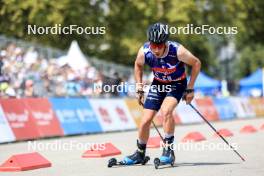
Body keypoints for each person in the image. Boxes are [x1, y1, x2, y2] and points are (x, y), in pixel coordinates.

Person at [123, 23, 201, 165]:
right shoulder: (145, 51)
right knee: (145, 121)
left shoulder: (178, 51)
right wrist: (139, 87)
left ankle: (168, 151)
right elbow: (138, 65)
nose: (156, 49)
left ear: (165, 43)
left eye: (160, 45)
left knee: (166, 111)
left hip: (177, 84)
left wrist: (190, 88)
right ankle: (140, 153)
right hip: (158, 84)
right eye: (154, 45)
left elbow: (196, 63)